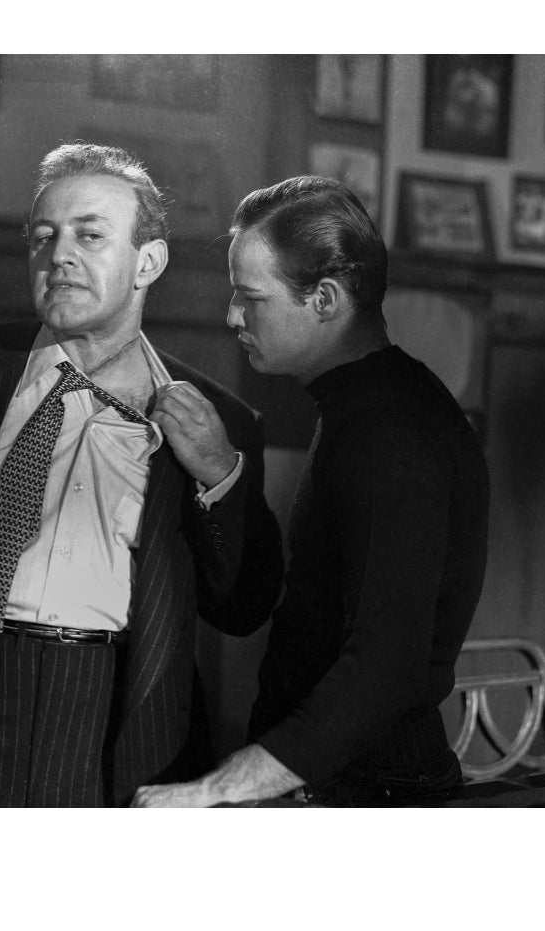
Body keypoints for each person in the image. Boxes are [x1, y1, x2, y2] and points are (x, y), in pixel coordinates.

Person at [0, 143, 283, 807]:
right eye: (43, 238)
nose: (59, 254)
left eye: (89, 236)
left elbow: (243, 607)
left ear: (147, 261)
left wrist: (221, 472)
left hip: (104, 723)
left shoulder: (219, 419)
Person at [133, 176, 489, 807]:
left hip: (369, 792)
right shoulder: (367, 402)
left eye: (251, 297)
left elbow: (386, 669)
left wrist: (214, 790)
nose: (231, 316)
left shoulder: (390, 427)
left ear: (324, 299)